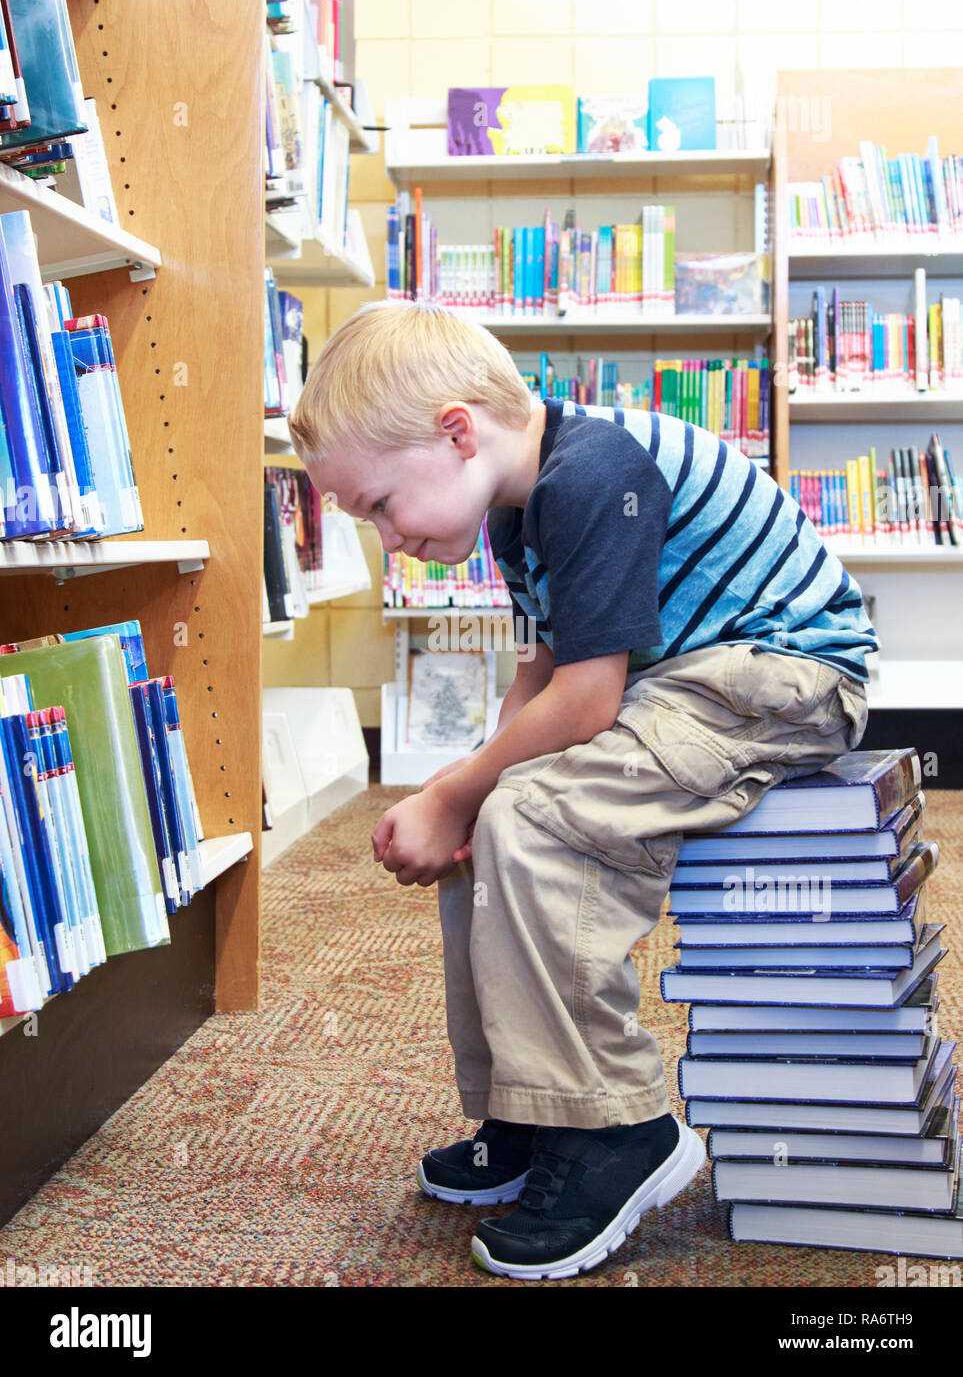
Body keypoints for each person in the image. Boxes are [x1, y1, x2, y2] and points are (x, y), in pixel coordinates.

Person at [289, 300, 875, 1281]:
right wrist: (460, 792)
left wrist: (463, 790)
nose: (389, 540)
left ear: (456, 432)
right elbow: (549, 663)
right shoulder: (520, 506)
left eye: (382, 505)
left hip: (783, 675)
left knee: (535, 816)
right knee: (492, 812)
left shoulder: (592, 473)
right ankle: (531, 1105)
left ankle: (617, 1123)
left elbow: (590, 697)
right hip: (680, 676)